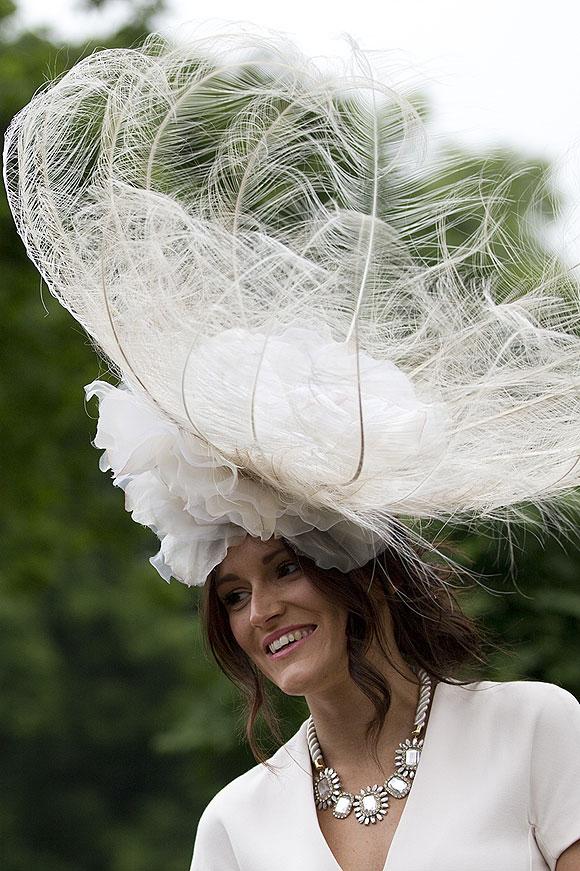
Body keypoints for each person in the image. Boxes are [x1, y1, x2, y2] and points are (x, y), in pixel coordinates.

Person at [3, 23, 580, 871]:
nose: (259, 612)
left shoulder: (535, 730)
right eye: (231, 595)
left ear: (355, 565)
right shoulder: (235, 825)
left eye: (281, 568)